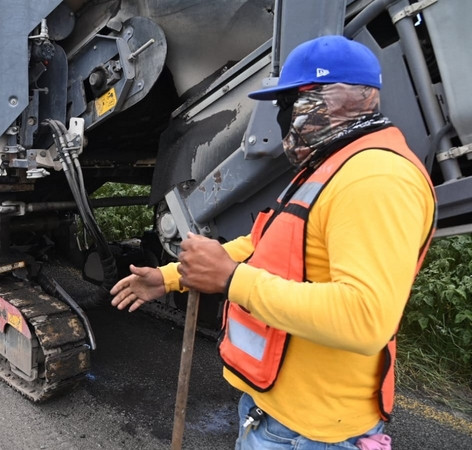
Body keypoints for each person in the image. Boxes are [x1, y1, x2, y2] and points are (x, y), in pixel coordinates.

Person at [110, 35, 436, 449]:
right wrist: (171, 276)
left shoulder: (375, 179)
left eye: (289, 103)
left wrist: (232, 280)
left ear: (332, 100)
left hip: (311, 434)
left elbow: (364, 318)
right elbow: (261, 245)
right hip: (277, 414)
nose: (282, 117)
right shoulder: (330, 167)